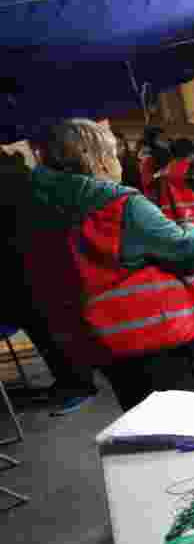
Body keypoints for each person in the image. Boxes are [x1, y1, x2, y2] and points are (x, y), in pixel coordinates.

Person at [16, 119, 194, 411]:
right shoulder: (122, 205)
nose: (119, 161)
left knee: (136, 413)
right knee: (180, 420)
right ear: (96, 157)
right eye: (114, 152)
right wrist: (190, 227)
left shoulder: (38, 206)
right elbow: (189, 251)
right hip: (152, 334)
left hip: (98, 337)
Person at [1, 149, 99, 415]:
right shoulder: (28, 178)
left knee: (53, 332)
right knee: (54, 329)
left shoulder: (11, 183)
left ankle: (78, 386)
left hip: (28, 268)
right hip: (44, 265)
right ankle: (72, 382)